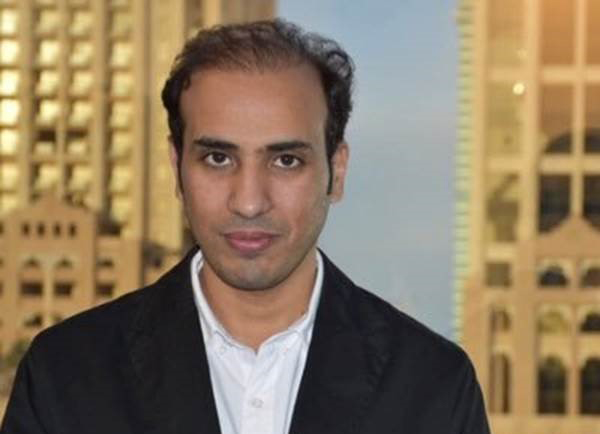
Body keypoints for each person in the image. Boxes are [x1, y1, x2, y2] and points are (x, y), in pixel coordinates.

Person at [1, 19, 490, 434]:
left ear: (336, 172)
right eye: (218, 158)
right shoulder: (65, 375)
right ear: (176, 169)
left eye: (285, 160)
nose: (250, 202)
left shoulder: (432, 387)